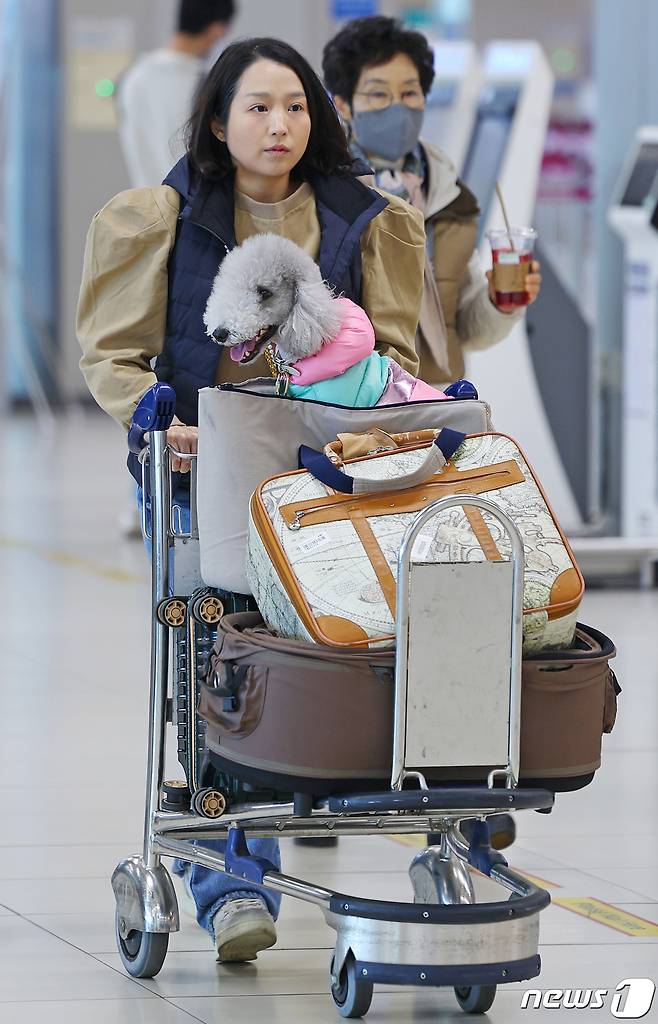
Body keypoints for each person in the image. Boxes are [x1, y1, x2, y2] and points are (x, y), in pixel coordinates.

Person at [77, 37, 426, 960]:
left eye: (297, 107)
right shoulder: (162, 216)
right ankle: (231, 875)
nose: (280, 126)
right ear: (219, 121)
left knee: (317, 658)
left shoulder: (366, 219)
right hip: (199, 476)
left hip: (327, 482)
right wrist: (160, 418)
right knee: (213, 658)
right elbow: (114, 356)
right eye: (259, 107)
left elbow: (397, 358)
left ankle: (308, 819)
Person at [322, 16, 542, 387]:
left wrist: (500, 304)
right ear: (343, 104)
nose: (398, 107)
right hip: (352, 402)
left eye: (410, 93)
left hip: (438, 400)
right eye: (378, 94)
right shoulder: (326, 190)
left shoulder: (446, 193)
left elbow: (463, 329)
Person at [117, 0, 236, 189]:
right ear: (217, 30)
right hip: (191, 211)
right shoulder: (207, 84)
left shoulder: (133, 77)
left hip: (145, 209)